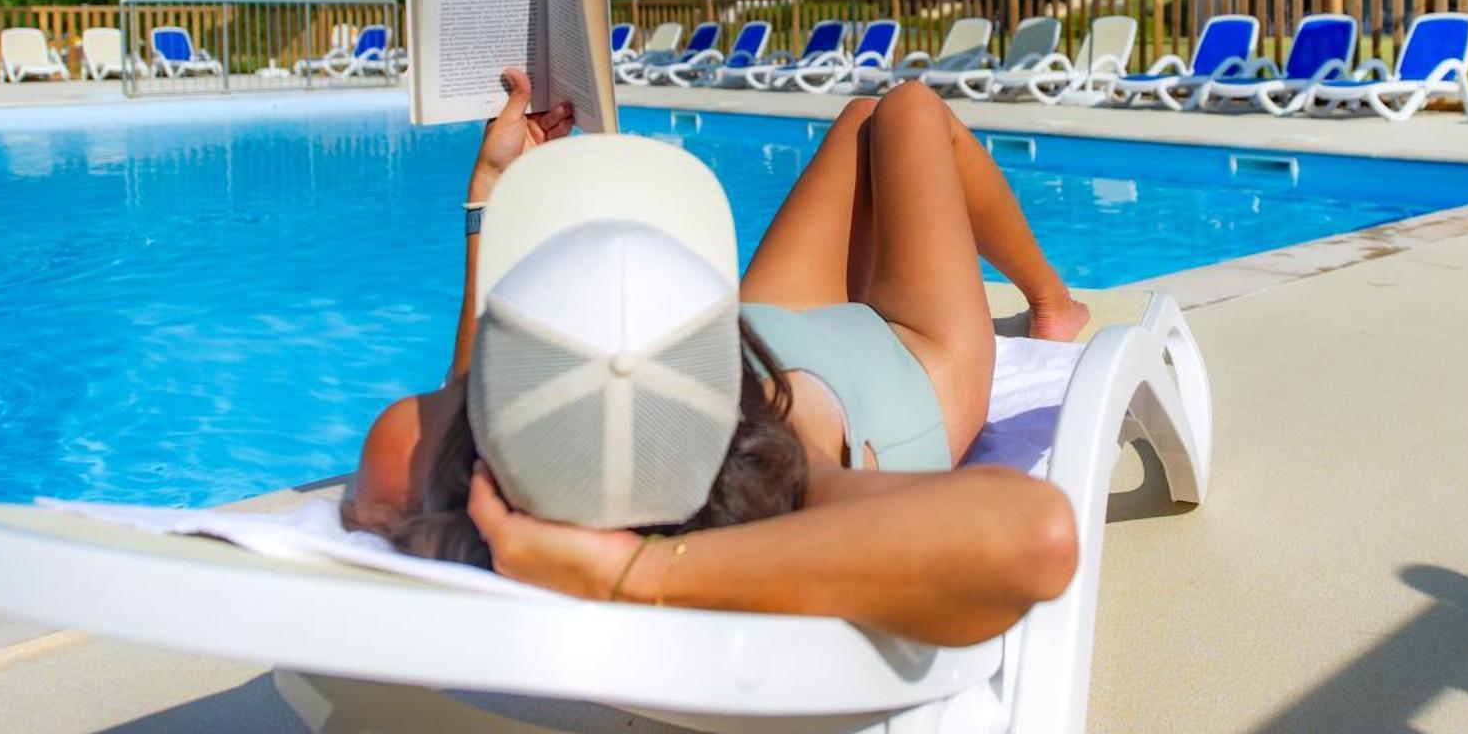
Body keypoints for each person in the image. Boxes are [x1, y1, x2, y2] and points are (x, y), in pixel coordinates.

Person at [346, 71, 1090, 646]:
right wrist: (629, 573)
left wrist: (493, 198)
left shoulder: (410, 454)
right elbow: (1033, 533)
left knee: (865, 117)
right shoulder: (777, 487)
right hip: (907, 364)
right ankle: (1051, 300)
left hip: (751, 337)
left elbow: (501, 393)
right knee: (909, 110)